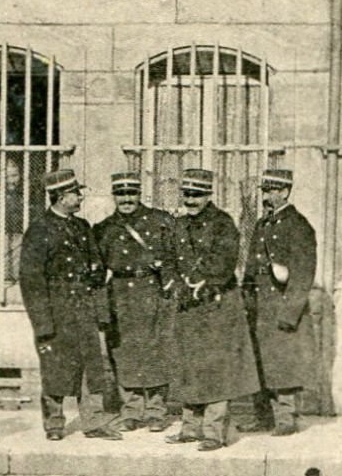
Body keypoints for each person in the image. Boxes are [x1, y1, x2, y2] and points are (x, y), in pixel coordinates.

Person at [19, 168, 122, 441]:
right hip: (56, 309)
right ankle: (54, 425)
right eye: (76, 193)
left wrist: (93, 280)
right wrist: (43, 323)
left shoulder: (82, 227)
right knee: (55, 367)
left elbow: (97, 265)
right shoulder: (39, 230)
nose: (80, 198)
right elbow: (31, 282)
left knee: (91, 367)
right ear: (62, 197)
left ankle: (94, 422)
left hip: (84, 306)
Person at [166, 168, 262, 451]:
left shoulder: (223, 223)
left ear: (209, 195)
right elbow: (167, 257)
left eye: (197, 195)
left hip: (216, 304)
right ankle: (190, 428)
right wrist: (175, 283)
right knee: (189, 366)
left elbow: (224, 261)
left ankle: (213, 432)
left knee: (216, 369)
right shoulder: (178, 224)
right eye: (187, 194)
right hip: (188, 305)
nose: (191, 200)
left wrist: (199, 282)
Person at [94, 171, 179, 433]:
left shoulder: (160, 221)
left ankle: (155, 411)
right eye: (121, 194)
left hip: (152, 291)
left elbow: (175, 256)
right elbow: (97, 267)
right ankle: (131, 409)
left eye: (131, 193)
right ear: (114, 196)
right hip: (119, 294)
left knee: (156, 350)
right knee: (123, 351)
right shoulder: (104, 228)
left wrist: (168, 284)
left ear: (139, 194)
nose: (126, 199)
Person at [243, 168, 319, 437]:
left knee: (284, 363)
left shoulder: (298, 225)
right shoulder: (262, 224)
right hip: (260, 303)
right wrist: (246, 298)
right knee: (259, 362)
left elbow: (303, 272)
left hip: (281, 303)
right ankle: (262, 416)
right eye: (264, 190)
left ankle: (285, 418)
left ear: (285, 192)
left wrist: (290, 312)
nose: (266, 196)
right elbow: (251, 267)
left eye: (271, 191)